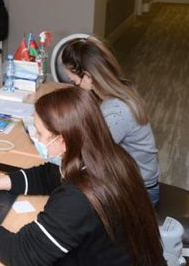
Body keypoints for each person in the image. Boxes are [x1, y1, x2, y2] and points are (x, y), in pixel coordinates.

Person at [0, 87, 171, 266]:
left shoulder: (78, 197)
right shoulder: (111, 158)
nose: (36, 137)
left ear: (62, 139)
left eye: (40, 133)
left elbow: (21, 255)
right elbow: (50, 175)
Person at [60, 35, 161, 204]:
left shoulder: (117, 113)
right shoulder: (118, 91)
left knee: (71, 196)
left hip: (141, 192)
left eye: (75, 82)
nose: (76, 86)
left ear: (88, 77)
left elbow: (88, 158)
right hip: (130, 180)